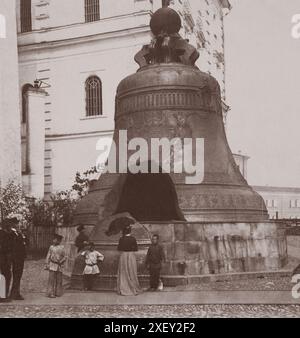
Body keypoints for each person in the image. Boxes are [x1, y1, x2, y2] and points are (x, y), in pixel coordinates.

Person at [3, 218, 27, 300]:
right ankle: (6, 295)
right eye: (16, 223)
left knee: (18, 275)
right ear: (12, 224)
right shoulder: (11, 233)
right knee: (9, 274)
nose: (18, 225)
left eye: (18, 223)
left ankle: (15, 293)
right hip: (13, 256)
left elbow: (25, 242)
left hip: (20, 256)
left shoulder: (19, 233)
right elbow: (9, 244)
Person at [117, 225, 142, 296]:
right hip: (131, 256)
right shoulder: (133, 239)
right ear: (130, 231)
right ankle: (133, 287)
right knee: (131, 271)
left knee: (123, 271)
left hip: (124, 255)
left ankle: (124, 288)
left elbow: (119, 248)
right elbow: (136, 249)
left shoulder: (121, 239)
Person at [45, 234, 66, 298]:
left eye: (55, 239)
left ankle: (58, 292)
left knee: (59, 280)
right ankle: (50, 293)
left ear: (59, 241)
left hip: (59, 265)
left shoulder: (62, 247)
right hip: (52, 264)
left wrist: (61, 261)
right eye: (53, 239)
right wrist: (47, 263)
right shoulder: (51, 247)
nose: (54, 240)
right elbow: (48, 255)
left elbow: (65, 256)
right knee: (51, 279)